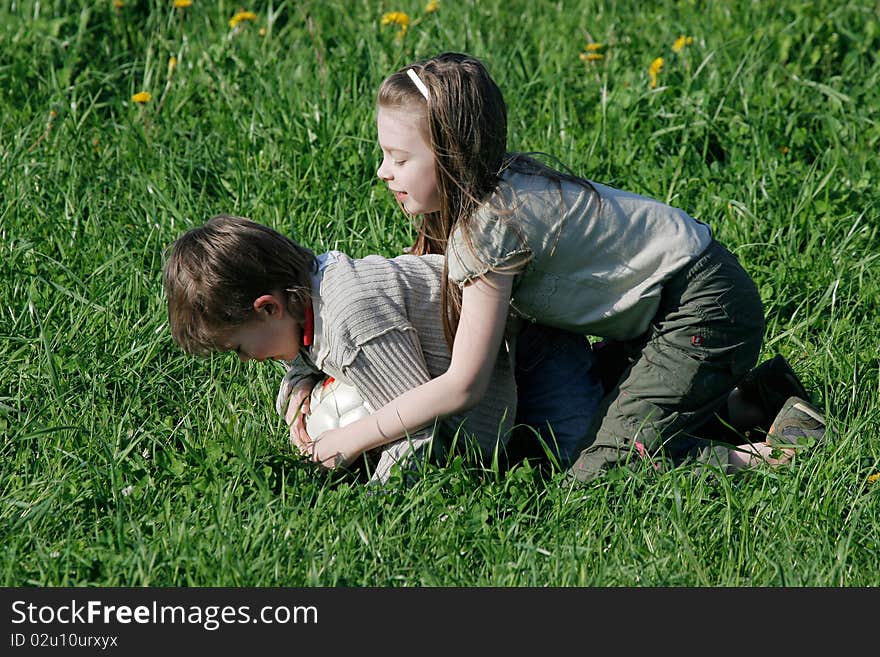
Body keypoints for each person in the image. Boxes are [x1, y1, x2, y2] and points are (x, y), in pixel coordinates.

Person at [301, 51, 826, 482]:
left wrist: (353, 436)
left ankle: (781, 457)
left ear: (453, 153)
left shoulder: (488, 228)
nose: (382, 171)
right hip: (673, 309)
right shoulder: (481, 196)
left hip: (700, 311)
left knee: (598, 470)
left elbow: (465, 384)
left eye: (399, 157)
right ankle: (756, 400)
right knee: (588, 421)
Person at [162, 214, 521, 485]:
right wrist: (298, 388)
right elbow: (309, 352)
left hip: (510, 404)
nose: (244, 359)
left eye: (239, 347)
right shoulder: (311, 292)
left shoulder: (353, 322)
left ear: (269, 308)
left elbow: (416, 424)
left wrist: (376, 497)